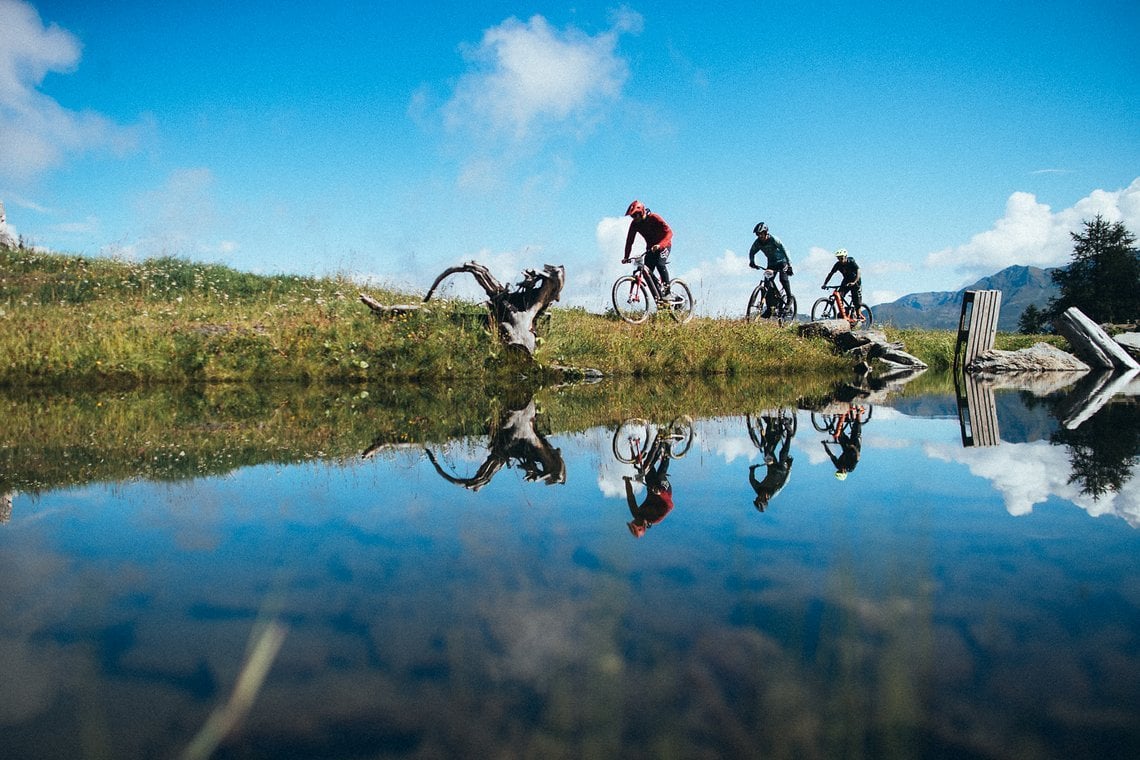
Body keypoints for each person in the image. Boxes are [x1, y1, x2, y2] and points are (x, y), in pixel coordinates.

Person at [623, 200, 677, 300]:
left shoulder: (654, 217)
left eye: (635, 216)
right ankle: (660, 300)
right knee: (648, 275)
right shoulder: (634, 224)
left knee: (660, 265)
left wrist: (660, 245)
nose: (633, 219)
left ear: (641, 212)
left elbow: (670, 233)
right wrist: (626, 257)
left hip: (664, 246)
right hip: (651, 249)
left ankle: (668, 292)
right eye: (632, 216)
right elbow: (629, 241)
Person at [624, 437, 675, 538]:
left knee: (644, 468)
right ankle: (668, 448)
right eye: (635, 522)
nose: (634, 519)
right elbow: (670, 505)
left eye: (633, 522)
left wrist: (627, 482)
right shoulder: (655, 519)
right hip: (664, 491)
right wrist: (660, 493)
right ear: (642, 526)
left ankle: (657, 444)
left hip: (651, 487)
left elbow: (630, 497)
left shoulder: (636, 513)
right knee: (660, 475)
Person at [748, 413, 794, 512]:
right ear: (764, 500)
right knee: (782, 455)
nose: (757, 497)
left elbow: (752, 480)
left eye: (756, 499)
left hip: (771, 468)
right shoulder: (773, 493)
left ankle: (771, 424)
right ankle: (789, 433)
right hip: (781, 471)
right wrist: (789, 468)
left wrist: (752, 470)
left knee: (767, 450)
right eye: (758, 499)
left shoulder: (758, 489)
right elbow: (784, 482)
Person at [748, 222, 793, 311]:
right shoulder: (757, 243)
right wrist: (752, 262)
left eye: (761, 234)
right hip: (771, 264)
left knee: (783, 279)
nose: (760, 236)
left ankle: (789, 299)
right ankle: (769, 308)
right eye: (758, 234)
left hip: (782, 262)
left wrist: (789, 265)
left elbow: (785, 250)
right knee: (767, 285)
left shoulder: (774, 239)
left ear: (766, 232)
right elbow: (752, 252)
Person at [822, 248, 862, 316]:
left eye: (842, 258)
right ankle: (843, 312)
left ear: (845, 256)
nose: (841, 260)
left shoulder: (851, 262)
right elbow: (830, 274)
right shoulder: (838, 264)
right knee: (839, 296)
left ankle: (858, 314)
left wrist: (854, 282)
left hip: (855, 281)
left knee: (856, 300)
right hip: (846, 280)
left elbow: (858, 271)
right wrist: (825, 284)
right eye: (839, 258)